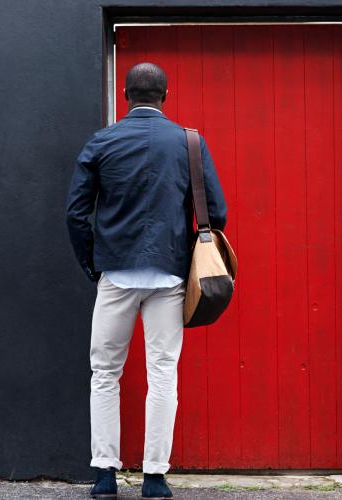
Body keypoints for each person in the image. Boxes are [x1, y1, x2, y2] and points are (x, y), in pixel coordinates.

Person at [66, 62, 227, 499]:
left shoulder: (103, 141)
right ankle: (155, 477)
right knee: (162, 374)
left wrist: (92, 264)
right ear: (165, 96)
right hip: (168, 274)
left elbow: (76, 213)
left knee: (104, 373)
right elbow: (218, 211)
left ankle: (104, 474)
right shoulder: (188, 142)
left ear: (125, 95)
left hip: (115, 273)